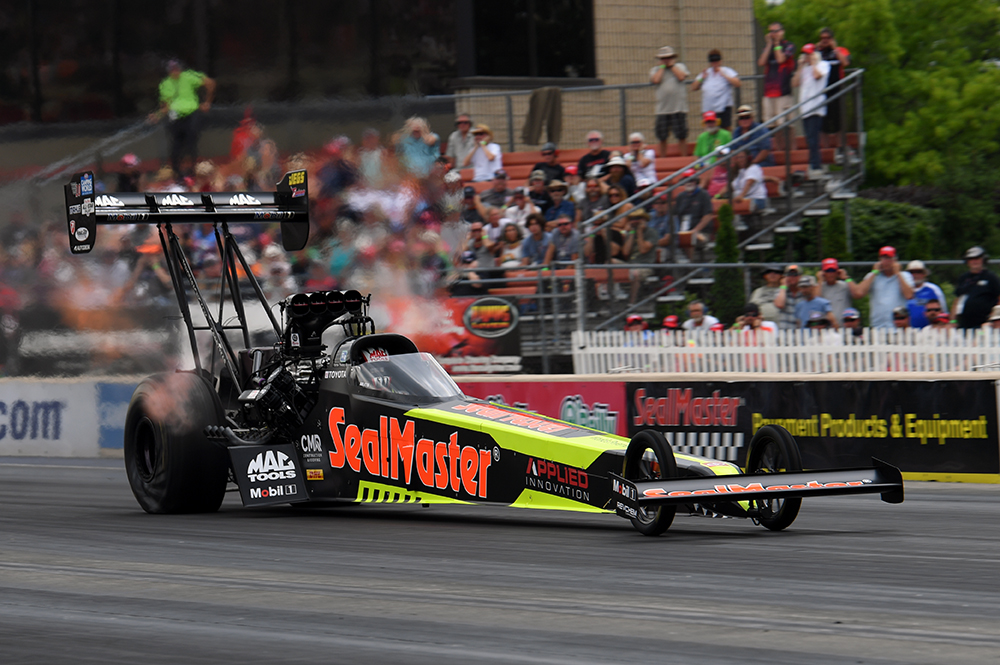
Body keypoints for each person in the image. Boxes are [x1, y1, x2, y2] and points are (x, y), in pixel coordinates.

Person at [151, 59, 216, 177]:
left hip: (191, 113)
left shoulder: (188, 76)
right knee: (176, 143)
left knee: (191, 139)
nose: (175, 72)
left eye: (177, 69)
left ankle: (193, 169)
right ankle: (177, 171)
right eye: (172, 70)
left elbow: (210, 83)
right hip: (175, 115)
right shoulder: (165, 84)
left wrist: (207, 102)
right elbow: (165, 106)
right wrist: (158, 115)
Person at [849, 246, 915, 328]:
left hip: (897, 326)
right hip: (877, 326)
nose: (886, 262)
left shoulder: (905, 276)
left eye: (889, 258)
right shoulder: (872, 276)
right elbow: (859, 293)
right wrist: (874, 272)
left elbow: (909, 295)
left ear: (895, 260)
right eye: (883, 258)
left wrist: (898, 273)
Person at [793, 44, 830, 179]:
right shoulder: (805, 69)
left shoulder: (823, 65)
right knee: (809, 139)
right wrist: (800, 66)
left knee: (813, 138)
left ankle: (816, 165)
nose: (807, 57)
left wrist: (814, 63)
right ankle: (813, 162)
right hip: (805, 108)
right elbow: (795, 83)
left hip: (816, 107)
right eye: (805, 54)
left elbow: (817, 76)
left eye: (809, 54)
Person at [758, 22, 796, 152]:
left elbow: (781, 59)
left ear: (782, 31)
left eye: (775, 31)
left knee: (787, 123)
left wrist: (776, 44)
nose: (773, 34)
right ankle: (780, 151)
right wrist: (769, 44)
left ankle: (792, 150)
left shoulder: (788, 45)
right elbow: (761, 62)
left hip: (783, 91)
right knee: (773, 124)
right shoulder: (769, 48)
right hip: (769, 91)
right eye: (771, 31)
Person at [649, 45, 690, 157]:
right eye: (663, 58)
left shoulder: (680, 66)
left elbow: (681, 77)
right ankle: (663, 159)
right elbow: (656, 80)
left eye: (668, 57)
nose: (665, 60)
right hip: (662, 110)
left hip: (679, 108)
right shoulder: (655, 70)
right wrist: (662, 67)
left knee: (681, 136)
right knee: (662, 137)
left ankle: (684, 159)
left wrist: (672, 67)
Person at [666, 168, 714, 259]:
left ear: (696, 181)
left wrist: (695, 230)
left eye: (691, 180)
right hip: (683, 230)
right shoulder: (681, 196)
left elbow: (708, 216)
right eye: (686, 180)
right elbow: (674, 215)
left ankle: (691, 267)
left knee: (690, 240)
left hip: (701, 231)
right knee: (668, 239)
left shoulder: (704, 195)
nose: (689, 183)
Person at [817, 28, 851, 152]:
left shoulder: (841, 50)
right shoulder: (819, 53)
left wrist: (835, 49)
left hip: (837, 89)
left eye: (827, 38)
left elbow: (846, 62)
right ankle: (824, 149)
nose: (825, 41)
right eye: (822, 38)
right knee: (823, 122)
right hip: (822, 90)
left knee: (839, 119)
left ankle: (841, 146)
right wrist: (817, 48)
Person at [691, 49, 741, 130]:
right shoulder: (706, 72)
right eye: (713, 61)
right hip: (709, 108)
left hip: (723, 107)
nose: (715, 63)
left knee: (725, 129)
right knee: (710, 130)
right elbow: (693, 87)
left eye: (717, 60)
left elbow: (738, 83)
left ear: (720, 61)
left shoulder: (727, 71)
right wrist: (702, 78)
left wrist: (724, 75)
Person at [953, 246, 1000, 328]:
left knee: (980, 339)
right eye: (971, 259)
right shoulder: (963, 278)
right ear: (967, 261)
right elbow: (957, 300)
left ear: (983, 260)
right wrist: (953, 321)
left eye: (977, 258)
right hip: (964, 324)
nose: (974, 261)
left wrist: (993, 319)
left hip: (983, 325)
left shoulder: (990, 277)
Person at [623, 208, 659, 304]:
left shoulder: (651, 232)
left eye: (637, 218)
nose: (634, 221)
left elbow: (643, 250)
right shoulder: (631, 233)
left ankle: (632, 302)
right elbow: (626, 252)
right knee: (610, 262)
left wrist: (639, 232)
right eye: (632, 219)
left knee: (635, 273)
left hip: (645, 265)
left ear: (643, 219)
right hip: (630, 264)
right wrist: (631, 233)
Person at [693, 111, 732, 194]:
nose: (710, 124)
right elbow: (696, 156)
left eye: (712, 122)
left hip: (721, 167)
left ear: (716, 122)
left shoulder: (726, 134)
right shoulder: (701, 137)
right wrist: (699, 166)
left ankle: (699, 193)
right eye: (708, 122)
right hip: (704, 168)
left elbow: (731, 152)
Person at [905, 260, 947, 328]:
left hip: (930, 330)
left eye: (919, 272)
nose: (915, 275)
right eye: (912, 272)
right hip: (908, 331)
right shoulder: (903, 290)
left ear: (924, 274)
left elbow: (943, 310)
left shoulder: (933, 289)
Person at [773, 264, 805, 330]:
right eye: (790, 274)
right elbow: (779, 304)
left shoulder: (805, 291)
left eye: (795, 274)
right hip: (785, 331)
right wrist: (784, 286)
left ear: (800, 276)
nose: (792, 277)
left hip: (803, 331)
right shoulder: (781, 290)